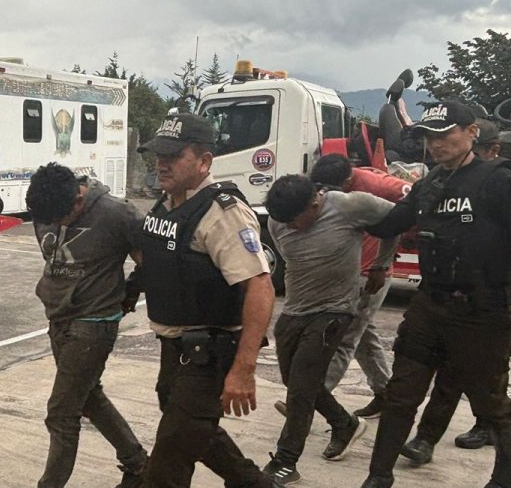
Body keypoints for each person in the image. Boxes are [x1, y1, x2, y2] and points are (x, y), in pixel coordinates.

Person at [358, 101, 511, 488]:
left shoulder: (502, 180)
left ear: (471, 132)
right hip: (430, 307)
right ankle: (378, 476)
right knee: (401, 394)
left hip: (484, 311)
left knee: (489, 400)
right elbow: (391, 223)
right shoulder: (429, 184)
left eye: (445, 134)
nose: (436, 145)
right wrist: (338, 198)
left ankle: (509, 469)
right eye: (429, 137)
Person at [398, 119, 511, 465]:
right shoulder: (447, 181)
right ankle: (433, 437)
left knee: (485, 374)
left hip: (499, 296)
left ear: (491, 149)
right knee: (456, 372)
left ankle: (483, 435)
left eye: (483, 152)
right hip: (459, 301)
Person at [126, 113, 278, 487]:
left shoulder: (222, 213)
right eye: (158, 155)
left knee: (168, 461)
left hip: (207, 355)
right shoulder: (168, 203)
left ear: (205, 161)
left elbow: (260, 286)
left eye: (174, 156)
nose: (161, 163)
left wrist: (243, 369)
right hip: (173, 347)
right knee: (195, 431)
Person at [260, 174, 399, 484]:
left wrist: (381, 264)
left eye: (295, 221)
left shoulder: (350, 205)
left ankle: (286, 460)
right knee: (293, 379)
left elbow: (396, 221)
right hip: (295, 309)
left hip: (335, 311)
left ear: (314, 203)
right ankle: (344, 423)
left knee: (300, 389)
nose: (288, 227)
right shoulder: (277, 220)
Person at [25, 162, 148, 488]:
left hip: (93, 324)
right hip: (59, 319)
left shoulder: (117, 213)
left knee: (62, 414)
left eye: (60, 219)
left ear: (77, 202)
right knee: (89, 397)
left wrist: (130, 291)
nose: (51, 225)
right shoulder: (48, 206)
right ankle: (138, 466)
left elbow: (151, 260)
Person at [309, 154, 413, 418]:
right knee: (364, 335)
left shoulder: (379, 186)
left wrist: (383, 263)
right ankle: (385, 394)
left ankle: (311, 398)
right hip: (350, 272)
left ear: (347, 181)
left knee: (345, 337)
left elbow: (407, 209)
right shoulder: (333, 190)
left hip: (372, 274)